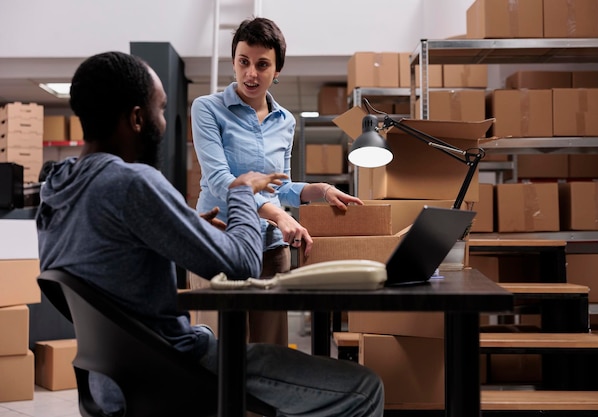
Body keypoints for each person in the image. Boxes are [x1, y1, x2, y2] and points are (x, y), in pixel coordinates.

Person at [36, 51, 384, 416]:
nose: (164, 121)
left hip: (113, 379)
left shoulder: (57, 191)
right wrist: (243, 191)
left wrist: (186, 225)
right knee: (365, 387)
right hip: (173, 370)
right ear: (138, 118)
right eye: (161, 109)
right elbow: (243, 264)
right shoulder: (132, 183)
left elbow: (112, 262)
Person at [191, 17, 363, 346]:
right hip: (219, 243)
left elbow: (280, 186)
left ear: (277, 70)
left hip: (269, 249)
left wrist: (321, 190)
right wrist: (280, 215)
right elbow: (219, 181)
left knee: (271, 354)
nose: (250, 73)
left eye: (262, 64)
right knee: (220, 355)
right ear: (233, 62)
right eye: (243, 62)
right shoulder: (208, 109)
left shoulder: (286, 121)